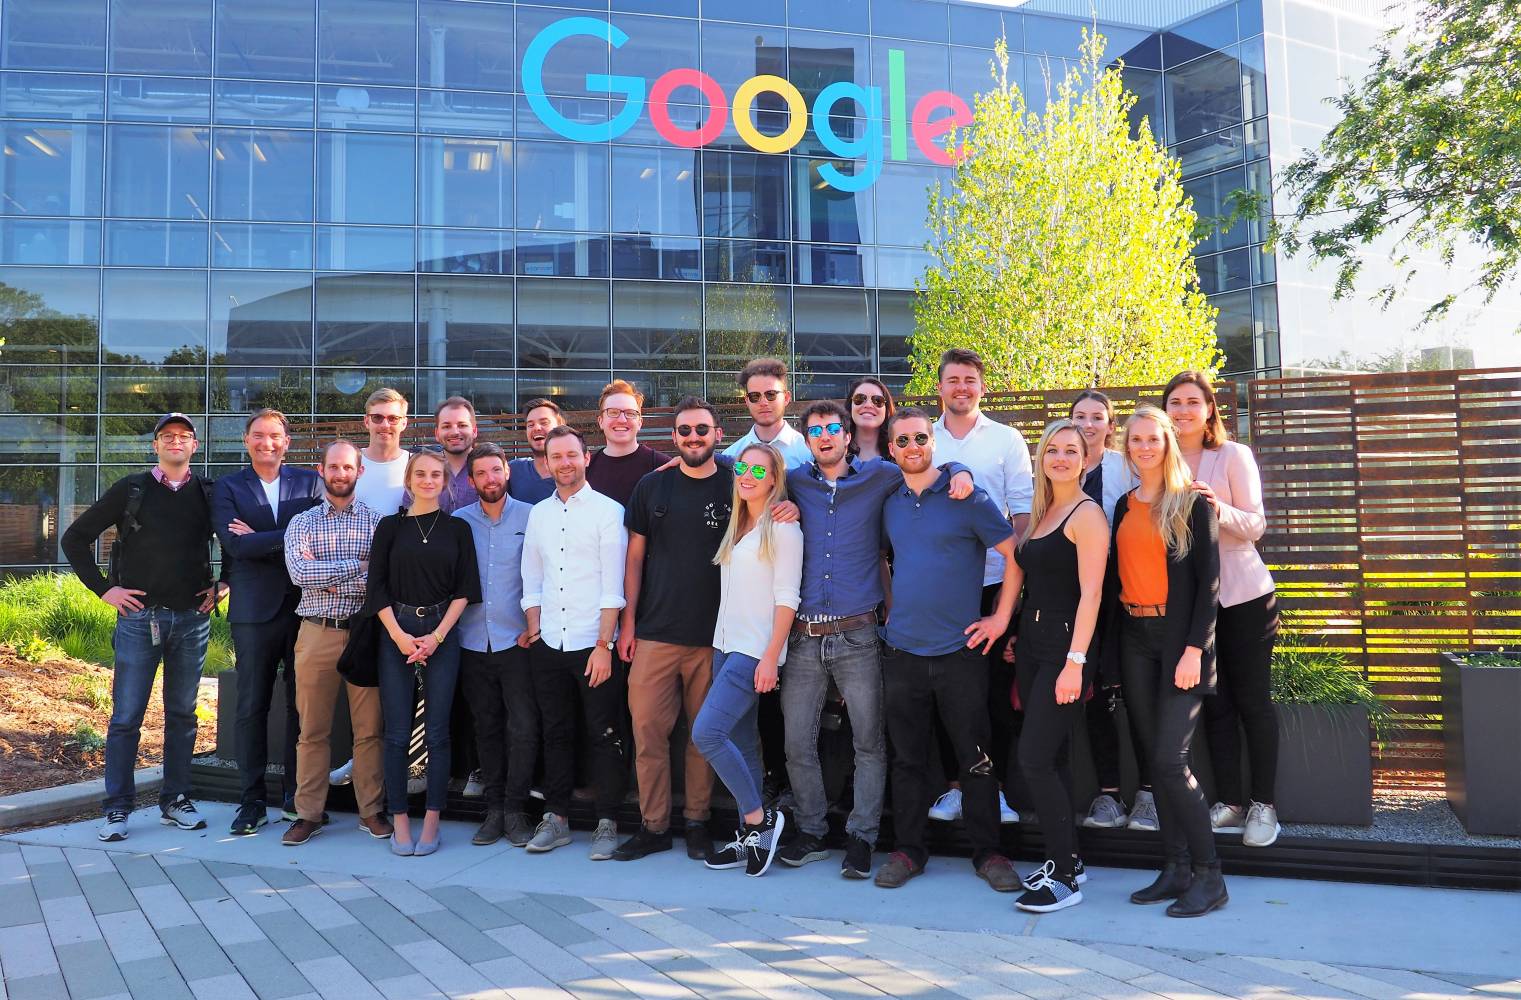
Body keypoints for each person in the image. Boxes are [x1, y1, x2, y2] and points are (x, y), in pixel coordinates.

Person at [779, 400, 973, 880]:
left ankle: (861, 839)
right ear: (807, 440)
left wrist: (962, 468)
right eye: (815, 430)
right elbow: (744, 474)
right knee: (796, 743)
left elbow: (927, 465)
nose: (824, 436)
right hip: (803, 634)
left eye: (832, 428)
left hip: (859, 633)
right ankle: (812, 831)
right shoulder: (795, 481)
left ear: (848, 435)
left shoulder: (880, 476)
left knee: (869, 742)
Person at [874, 408, 1022, 893]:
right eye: (902, 441)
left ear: (932, 443)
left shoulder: (968, 497)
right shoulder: (889, 500)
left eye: (920, 437)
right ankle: (909, 850)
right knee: (908, 759)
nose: (912, 446)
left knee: (975, 758)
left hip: (960, 651)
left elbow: (1014, 557)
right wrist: (890, 607)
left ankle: (988, 853)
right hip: (903, 653)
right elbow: (881, 558)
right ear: (891, 449)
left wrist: (1000, 618)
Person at [62, 412, 225, 843]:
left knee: (183, 715)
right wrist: (105, 591)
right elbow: (74, 539)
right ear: (156, 445)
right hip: (138, 620)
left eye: (185, 437)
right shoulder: (131, 489)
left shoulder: (209, 493)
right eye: (168, 436)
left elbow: (237, 542)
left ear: (195, 446)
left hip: (192, 621)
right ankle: (117, 809)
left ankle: (175, 801)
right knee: (126, 717)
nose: (176, 442)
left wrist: (225, 582)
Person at [1106, 405, 1227, 918]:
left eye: (1153, 438)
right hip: (1136, 637)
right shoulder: (1122, 505)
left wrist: (1194, 650)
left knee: (1172, 762)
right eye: (1135, 440)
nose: (1144, 447)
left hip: (1181, 641)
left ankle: (1210, 875)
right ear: (1127, 448)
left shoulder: (1193, 504)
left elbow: (1209, 585)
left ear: (1167, 443)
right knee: (1156, 763)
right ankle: (1176, 868)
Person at [1164, 371, 1281, 848]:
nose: (1184, 410)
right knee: (1216, 704)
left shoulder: (1233, 455)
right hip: (1192, 606)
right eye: (1175, 402)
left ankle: (1264, 806)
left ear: (1210, 409)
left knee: (1252, 701)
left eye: (1194, 402)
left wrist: (1217, 508)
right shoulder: (1159, 460)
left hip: (1244, 596)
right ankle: (1230, 803)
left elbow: (1256, 524)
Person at [612, 398, 727, 863]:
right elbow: (633, 559)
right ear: (674, 438)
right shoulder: (651, 487)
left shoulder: (738, 482)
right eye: (684, 431)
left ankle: (698, 822)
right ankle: (654, 826)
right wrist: (627, 624)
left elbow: (778, 503)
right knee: (648, 735)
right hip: (655, 634)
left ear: (717, 434)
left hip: (716, 636)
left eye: (702, 429)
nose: (693, 437)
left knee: (704, 736)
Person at [927, 348, 1033, 825]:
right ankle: (955, 788)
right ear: (940, 388)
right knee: (948, 695)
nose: (962, 388)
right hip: (943, 590)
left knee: (995, 694)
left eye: (970, 380)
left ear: (982, 387)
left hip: (996, 584)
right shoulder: (923, 438)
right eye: (953, 380)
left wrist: (1017, 581)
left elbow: (1024, 515)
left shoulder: (1007, 439)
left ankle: (998, 792)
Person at [1010, 420, 1109, 913]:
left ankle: (1065, 876)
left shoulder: (1087, 514)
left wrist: (1075, 663)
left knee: (1034, 759)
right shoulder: (1042, 510)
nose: (1062, 458)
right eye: (1053, 449)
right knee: (1053, 758)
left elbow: (1092, 594)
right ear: (1042, 457)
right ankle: (1069, 858)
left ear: (1086, 458)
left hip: (1066, 651)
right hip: (1032, 646)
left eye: (1072, 450)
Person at [693, 442, 803, 878]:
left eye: (760, 470)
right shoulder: (738, 525)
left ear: (774, 480)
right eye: (743, 467)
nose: (749, 475)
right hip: (724, 646)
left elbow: (786, 599)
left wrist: (771, 658)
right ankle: (749, 837)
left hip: (753, 651)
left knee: (707, 734)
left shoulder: (784, 529)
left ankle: (762, 820)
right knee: (741, 744)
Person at [520, 426, 629, 860]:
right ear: (546, 464)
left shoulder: (608, 511)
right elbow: (532, 576)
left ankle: (607, 823)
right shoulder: (538, 515)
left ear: (586, 458)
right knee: (556, 733)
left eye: (571, 455)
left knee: (605, 734)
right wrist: (533, 626)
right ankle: (557, 819)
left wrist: (604, 645)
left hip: (592, 643)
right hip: (548, 643)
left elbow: (612, 584)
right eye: (555, 457)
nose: (564, 463)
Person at [212, 409, 323, 836]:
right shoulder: (228, 487)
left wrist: (260, 537)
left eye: (275, 436)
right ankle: (251, 800)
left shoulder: (309, 482)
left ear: (287, 441)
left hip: (303, 607)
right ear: (246, 440)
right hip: (254, 612)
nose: (267, 443)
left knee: (303, 707)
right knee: (251, 706)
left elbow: (314, 535)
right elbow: (234, 547)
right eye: (259, 435)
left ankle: (298, 797)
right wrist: (291, 534)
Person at [367, 451, 481, 856]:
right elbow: (376, 588)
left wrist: (435, 637)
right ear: (409, 480)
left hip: (441, 632)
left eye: (436, 475)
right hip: (395, 630)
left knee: (437, 732)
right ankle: (399, 818)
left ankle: (432, 819)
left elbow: (465, 590)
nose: (429, 480)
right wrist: (399, 636)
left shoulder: (457, 528)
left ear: (445, 482)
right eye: (421, 474)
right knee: (396, 734)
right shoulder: (390, 527)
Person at [281, 440, 391, 846]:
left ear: (359, 471)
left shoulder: (380, 524)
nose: (341, 473)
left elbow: (379, 580)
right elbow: (299, 573)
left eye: (348, 467)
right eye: (333, 467)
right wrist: (355, 567)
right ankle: (308, 813)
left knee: (369, 731)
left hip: (365, 634)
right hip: (316, 631)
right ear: (321, 470)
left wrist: (329, 574)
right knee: (312, 730)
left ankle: (371, 812)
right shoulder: (303, 522)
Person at [1068, 390, 1154, 833]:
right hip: (1078, 597)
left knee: (1137, 694)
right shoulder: (1060, 465)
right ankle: (1107, 797)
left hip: (1126, 594)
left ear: (1110, 424)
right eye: (1080, 416)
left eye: (1097, 417)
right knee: (1094, 696)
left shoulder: (1127, 466)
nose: (1088, 424)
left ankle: (1150, 795)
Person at [452, 443, 537, 848]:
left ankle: (517, 809)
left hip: (517, 641)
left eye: (496, 471)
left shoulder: (531, 517)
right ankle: (495, 809)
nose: (490, 479)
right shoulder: (458, 522)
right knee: (485, 727)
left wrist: (535, 624)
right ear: (472, 481)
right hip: (470, 641)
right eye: (482, 473)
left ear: (507, 474)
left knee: (521, 727)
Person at [587, 380, 669, 507]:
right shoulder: (586, 469)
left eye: (630, 413)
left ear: (640, 423)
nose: (622, 420)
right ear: (601, 421)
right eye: (613, 412)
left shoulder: (662, 467)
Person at [721, 357, 814, 469]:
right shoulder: (732, 455)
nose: (763, 402)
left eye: (771, 394)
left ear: (786, 397)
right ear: (747, 401)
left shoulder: (808, 453)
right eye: (755, 396)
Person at [353, 388, 411, 516]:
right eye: (377, 417)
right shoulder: (349, 463)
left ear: (404, 423)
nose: (385, 425)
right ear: (366, 421)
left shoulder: (415, 465)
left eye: (393, 418)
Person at [429, 396, 481, 514]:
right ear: (437, 433)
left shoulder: (489, 470)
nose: (455, 432)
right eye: (446, 426)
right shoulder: (424, 471)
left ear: (474, 431)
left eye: (462, 425)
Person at [508, 398, 564, 504]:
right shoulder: (514, 470)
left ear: (560, 427)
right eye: (530, 425)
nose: (536, 428)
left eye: (544, 422)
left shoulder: (575, 471)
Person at [846, 376, 895, 463]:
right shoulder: (836, 452)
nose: (868, 405)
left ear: (886, 409)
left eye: (878, 400)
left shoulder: (900, 454)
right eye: (859, 398)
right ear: (850, 406)